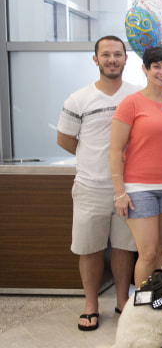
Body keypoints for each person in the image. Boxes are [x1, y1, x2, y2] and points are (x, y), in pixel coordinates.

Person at [56, 35, 140, 331]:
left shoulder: (136, 95)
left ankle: (122, 301)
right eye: (106, 55)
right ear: (96, 59)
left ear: (126, 59)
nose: (112, 60)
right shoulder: (79, 98)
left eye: (117, 54)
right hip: (91, 184)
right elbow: (65, 139)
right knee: (89, 247)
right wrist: (92, 157)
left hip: (129, 186)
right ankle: (91, 304)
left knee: (124, 246)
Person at [110, 46, 162, 287]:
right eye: (156, 67)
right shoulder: (131, 103)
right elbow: (114, 150)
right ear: (145, 69)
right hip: (138, 188)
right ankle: (143, 310)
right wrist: (119, 193)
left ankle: (161, 303)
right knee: (147, 252)